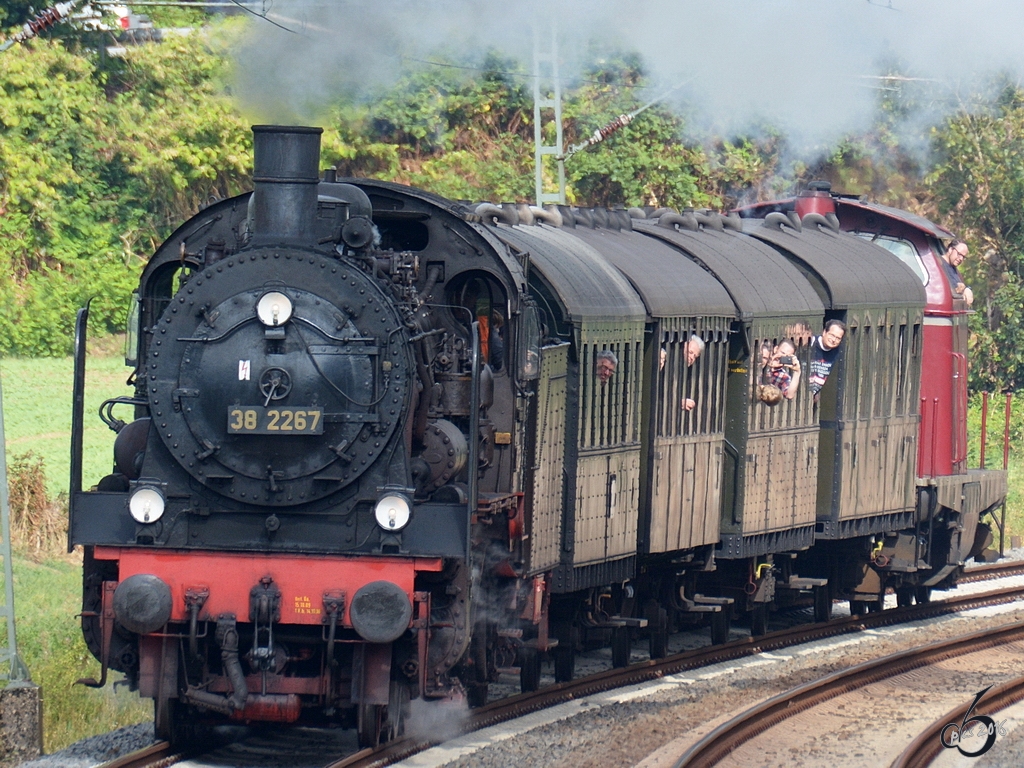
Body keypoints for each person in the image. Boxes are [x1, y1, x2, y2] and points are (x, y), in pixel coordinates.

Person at [808, 320, 846, 398]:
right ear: (824, 332)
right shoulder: (811, 343)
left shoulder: (837, 351)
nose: (834, 340)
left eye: (838, 338)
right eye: (832, 335)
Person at [941, 240, 974, 307]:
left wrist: (967, 289)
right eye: (959, 254)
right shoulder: (939, 265)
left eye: (963, 257)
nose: (961, 258)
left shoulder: (954, 269)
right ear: (950, 249)